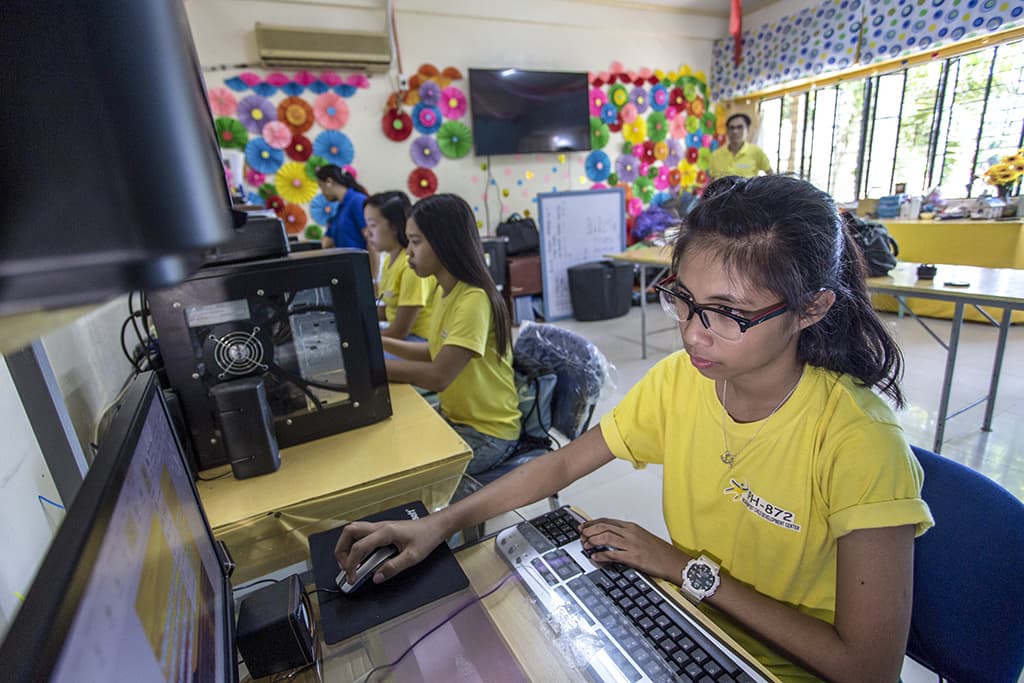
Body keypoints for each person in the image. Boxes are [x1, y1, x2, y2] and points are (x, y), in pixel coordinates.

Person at [336, 176, 934, 682]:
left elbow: (867, 668)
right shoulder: (683, 380)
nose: (694, 332)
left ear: (812, 308)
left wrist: (683, 568)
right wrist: (439, 525)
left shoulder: (858, 442)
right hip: (688, 623)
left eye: (728, 313)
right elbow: (566, 463)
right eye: (683, 299)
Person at [380, 193, 521, 476]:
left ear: (446, 243)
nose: (408, 251)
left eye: (416, 242)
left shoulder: (474, 299)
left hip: (488, 432)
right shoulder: (443, 290)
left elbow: (439, 376)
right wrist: (378, 343)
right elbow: (436, 351)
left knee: (410, 479)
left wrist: (375, 368)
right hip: (457, 419)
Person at [364, 191, 435, 342]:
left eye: (372, 225)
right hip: (402, 336)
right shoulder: (390, 260)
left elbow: (400, 331)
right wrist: (355, 314)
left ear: (394, 226)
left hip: (419, 340)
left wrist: (364, 339)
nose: (367, 233)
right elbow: (392, 310)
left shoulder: (410, 266)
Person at [315, 164, 370, 250]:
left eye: (321, 187)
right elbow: (325, 242)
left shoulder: (357, 201)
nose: (322, 193)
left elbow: (372, 240)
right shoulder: (340, 210)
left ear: (329, 182)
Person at [708, 113, 773, 179]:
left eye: (740, 127)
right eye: (732, 128)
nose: (735, 131)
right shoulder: (716, 155)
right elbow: (713, 180)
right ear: (727, 131)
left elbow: (770, 175)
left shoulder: (756, 152)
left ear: (747, 130)